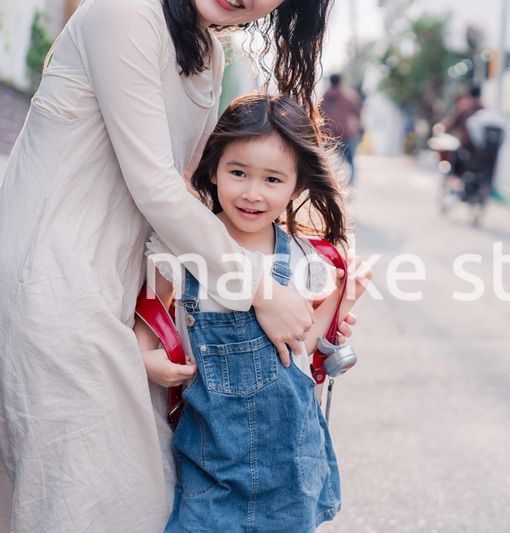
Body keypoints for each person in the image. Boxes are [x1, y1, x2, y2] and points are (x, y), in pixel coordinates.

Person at [0, 0, 349, 530]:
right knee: (81, 498)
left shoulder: (205, 50)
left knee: (128, 492)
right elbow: (157, 187)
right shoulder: (125, 13)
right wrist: (258, 287)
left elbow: (186, 195)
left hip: (116, 292)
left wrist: (311, 298)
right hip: (53, 281)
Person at [136, 93, 371, 532]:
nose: (251, 193)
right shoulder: (182, 248)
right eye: (238, 172)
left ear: (297, 185)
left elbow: (303, 352)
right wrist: (146, 359)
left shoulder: (305, 259)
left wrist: (342, 301)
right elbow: (145, 327)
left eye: (272, 180)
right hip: (210, 471)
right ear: (213, 169)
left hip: (291, 470)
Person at [320, 73, 362, 185]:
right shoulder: (348, 98)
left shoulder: (324, 98)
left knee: (327, 162)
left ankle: (330, 185)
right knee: (351, 163)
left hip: (328, 135)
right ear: (340, 82)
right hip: (345, 134)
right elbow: (357, 114)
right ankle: (349, 187)